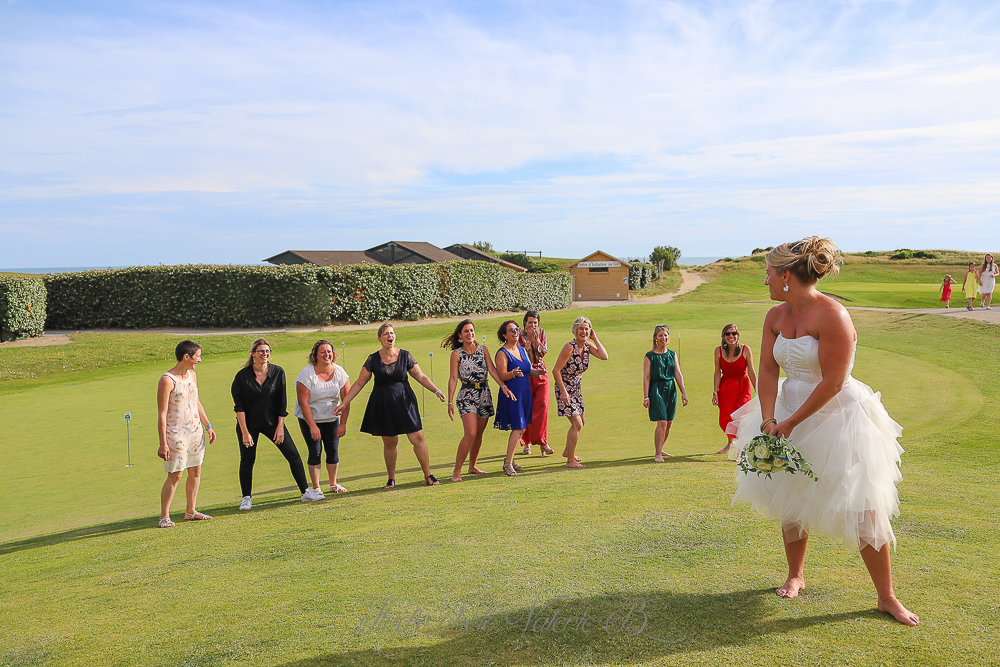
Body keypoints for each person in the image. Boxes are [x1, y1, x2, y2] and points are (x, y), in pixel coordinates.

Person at [728, 236, 918, 626]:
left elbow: (832, 382)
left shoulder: (833, 316)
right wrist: (768, 419)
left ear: (785, 276)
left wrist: (791, 422)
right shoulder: (775, 317)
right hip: (782, 411)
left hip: (838, 416)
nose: (764, 281)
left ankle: (887, 596)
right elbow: (767, 370)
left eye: (767, 274)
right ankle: (795, 574)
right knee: (789, 494)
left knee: (865, 506)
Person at [334, 323, 445, 488]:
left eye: (392, 333)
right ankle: (391, 479)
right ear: (380, 338)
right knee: (390, 442)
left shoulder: (405, 355)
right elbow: (359, 383)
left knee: (418, 438)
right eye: (386, 334)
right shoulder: (373, 359)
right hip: (383, 404)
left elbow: (421, 376)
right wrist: (344, 403)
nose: (389, 336)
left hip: (405, 402)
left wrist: (436, 391)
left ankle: (428, 475)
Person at [232, 338, 315, 511]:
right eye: (261, 351)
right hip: (248, 425)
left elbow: (281, 402)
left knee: (293, 455)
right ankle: (246, 498)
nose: (265, 354)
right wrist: (244, 432)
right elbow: (239, 407)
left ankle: (305, 491)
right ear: (253, 353)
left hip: (272, 423)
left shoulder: (278, 372)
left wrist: (280, 427)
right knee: (247, 460)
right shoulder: (242, 376)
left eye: (267, 351)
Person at [443, 319, 513, 482]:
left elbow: (492, 370)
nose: (470, 333)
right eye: (466, 331)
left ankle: (472, 466)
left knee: (479, 433)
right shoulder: (456, 354)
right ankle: (456, 471)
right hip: (466, 395)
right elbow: (453, 378)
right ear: (460, 336)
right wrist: (450, 401)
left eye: (472, 330)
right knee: (471, 432)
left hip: (484, 393)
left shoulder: (483, 349)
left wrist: (503, 386)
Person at [156, 340, 217, 527]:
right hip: (176, 434)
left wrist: (208, 425)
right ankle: (164, 516)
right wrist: (163, 443)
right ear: (186, 357)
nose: (199, 360)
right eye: (197, 356)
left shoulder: (192, 375)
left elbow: (196, 402)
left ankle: (191, 511)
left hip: (195, 432)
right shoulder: (167, 380)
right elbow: (162, 413)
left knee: (196, 470)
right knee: (175, 474)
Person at [295, 339, 352, 497]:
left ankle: (333, 484)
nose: (327, 354)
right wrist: (313, 426)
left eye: (329, 351)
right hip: (309, 419)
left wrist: (343, 424)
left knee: (333, 451)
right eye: (323, 351)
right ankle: (316, 488)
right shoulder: (307, 374)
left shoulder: (339, 372)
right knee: (315, 451)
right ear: (315, 355)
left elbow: (346, 400)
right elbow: (303, 403)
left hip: (331, 419)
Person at [552, 316, 609, 469]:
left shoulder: (588, 346)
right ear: (575, 331)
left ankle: (567, 451)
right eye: (581, 329)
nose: (584, 331)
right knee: (576, 424)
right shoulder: (569, 347)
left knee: (581, 423)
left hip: (576, 389)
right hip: (564, 388)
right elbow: (556, 370)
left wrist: (595, 338)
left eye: (586, 329)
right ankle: (570, 460)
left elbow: (604, 356)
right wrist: (563, 392)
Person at [494, 320, 543, 476]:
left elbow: (528, 371)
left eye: (516, 329)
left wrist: (539, 372)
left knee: (521, 428)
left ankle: (511, 459)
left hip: (524, 394)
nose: (515, 332)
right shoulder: (502, 353)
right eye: (511, 330)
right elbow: (502, 374)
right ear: (504, 335)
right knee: (519, 427)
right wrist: (512, 374)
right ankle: (508, 463)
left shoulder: (522, 350)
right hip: (512, 394)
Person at [642, 325, 689, 462]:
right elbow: (646, 377)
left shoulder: (672, 354)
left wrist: (683, 392)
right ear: (656, 338)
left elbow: (677, 374)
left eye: (666, 335)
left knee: (669, 422)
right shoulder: (649, 356)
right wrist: (646, 396)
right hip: (656, 389)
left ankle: (661, 448)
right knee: (661, 421)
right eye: (660, 335)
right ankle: (658, 454)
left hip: (671, 389)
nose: (663, 338)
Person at [713, 324, 757, 455]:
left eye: (734, 333)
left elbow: (751, 372)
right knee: (726, 418)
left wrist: (758, 390)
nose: (731, 336)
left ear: (738, 335)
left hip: (743, 387)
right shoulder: (718, 351)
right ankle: (730, 443)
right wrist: (715, 392)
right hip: (725, 387)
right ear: (724, 336)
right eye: (728, 334)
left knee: (741, 418)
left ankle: (740, 450)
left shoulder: (745, 349)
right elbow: (717, 372)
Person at [517, 311, 554, 455]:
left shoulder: (542, 333)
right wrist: (528, 342)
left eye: (535, 323)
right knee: (527, 408)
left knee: (543, 406)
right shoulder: (518, 334)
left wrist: (536, 341)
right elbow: (520, 356)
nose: (533, 325)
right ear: (525, 323)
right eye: (530, 322)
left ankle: (543, 442)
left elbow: (543, 353)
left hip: (541, 374)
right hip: (525, 375)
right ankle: (526, 442)